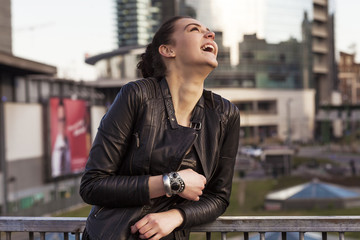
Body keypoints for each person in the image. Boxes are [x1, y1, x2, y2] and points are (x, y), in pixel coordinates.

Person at [80, 16, 240, 240]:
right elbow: (92, 185)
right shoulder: (137, 95)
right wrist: (173, 183)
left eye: (209, 31)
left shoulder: (225, 114)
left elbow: (218, 197)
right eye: (194, 30)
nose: (210, 35)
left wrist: (176, 216)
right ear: (168, 50)